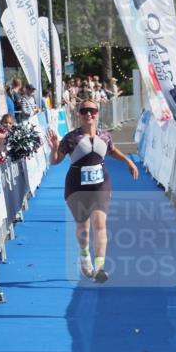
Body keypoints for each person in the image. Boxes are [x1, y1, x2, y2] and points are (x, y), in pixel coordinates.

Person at [46, 98, 138, 284]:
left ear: (97, 113)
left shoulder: (105, 136)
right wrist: (54, 148)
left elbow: (111, 150)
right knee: (83, 229)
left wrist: (128, 161)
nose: (89, 114)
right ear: (79, 115)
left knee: (100, 224)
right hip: (76, 187)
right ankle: (84, 255)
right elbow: (55, 161)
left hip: (100, 185)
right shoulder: (71, 138)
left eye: (92, 110)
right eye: (84, 111)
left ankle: (100, 267)